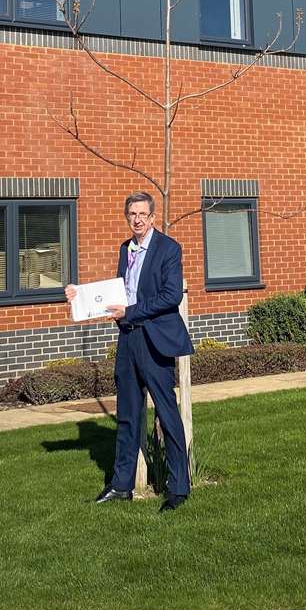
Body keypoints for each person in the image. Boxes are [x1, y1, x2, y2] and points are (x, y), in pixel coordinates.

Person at [66, 192, 194, 512]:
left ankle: (178, 487)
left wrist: (131, 312)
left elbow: (170, 296)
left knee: (166, 414)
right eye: (131, 214)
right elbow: (116, 292)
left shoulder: (168, 248)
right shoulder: (126, 249)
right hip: (128, 341)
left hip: (154, 341)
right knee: (126, 415)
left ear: (152, 217)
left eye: (142, 214)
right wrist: (79, 296)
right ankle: (121, 484)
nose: (136, 219)